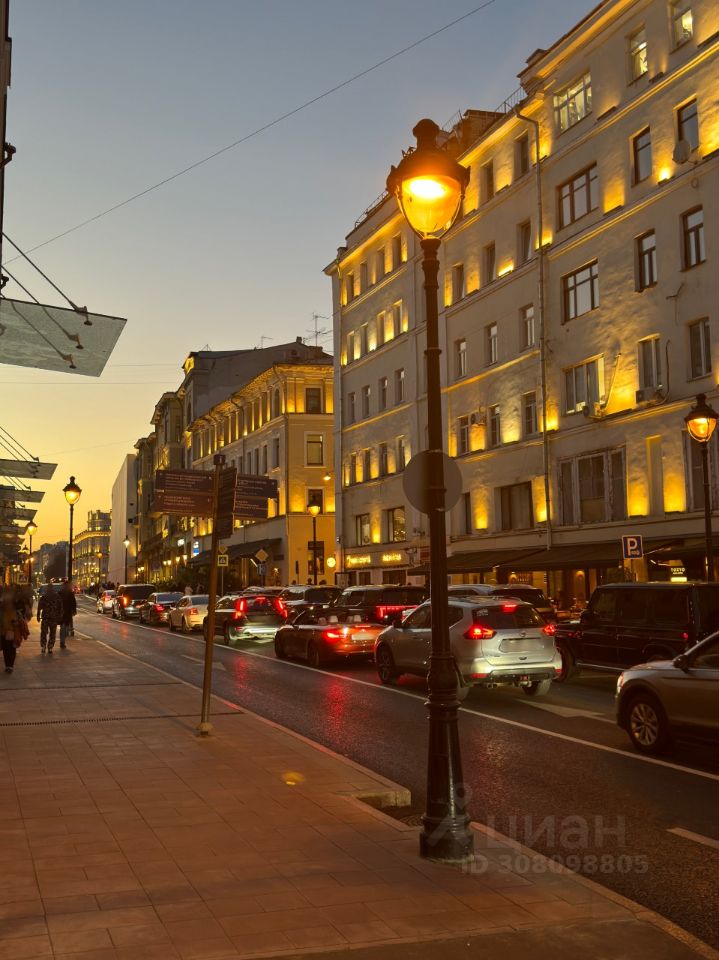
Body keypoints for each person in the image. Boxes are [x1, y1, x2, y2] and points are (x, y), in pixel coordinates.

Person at [37, 582, 63, 653]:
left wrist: (38, 616)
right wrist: (60, 616)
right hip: (52, 618)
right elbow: (60, 608)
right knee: (52, 633)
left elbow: (39, 607)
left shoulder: (45, 597)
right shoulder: (56, 597)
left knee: (44, 633)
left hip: (47, 618)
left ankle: (44, 646)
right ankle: (49, 647)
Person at [1, 589, 19, 673]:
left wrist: (14, 622)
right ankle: (7, 665)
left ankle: (10, 666)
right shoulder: (2, 611)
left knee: (11, 649)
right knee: (6, 649)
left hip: (11, 632)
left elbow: (17, 621)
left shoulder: (13, 611)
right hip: (3, 632)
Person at [59, 580, 77, 649]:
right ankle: (62, 642)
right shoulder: (60, 593)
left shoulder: (70, 593)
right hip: (62, 613)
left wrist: (74, 610)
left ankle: (63, 640)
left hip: (68, 612)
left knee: (65, 628)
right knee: (62, 627)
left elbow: (73, 602)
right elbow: (57, 602)